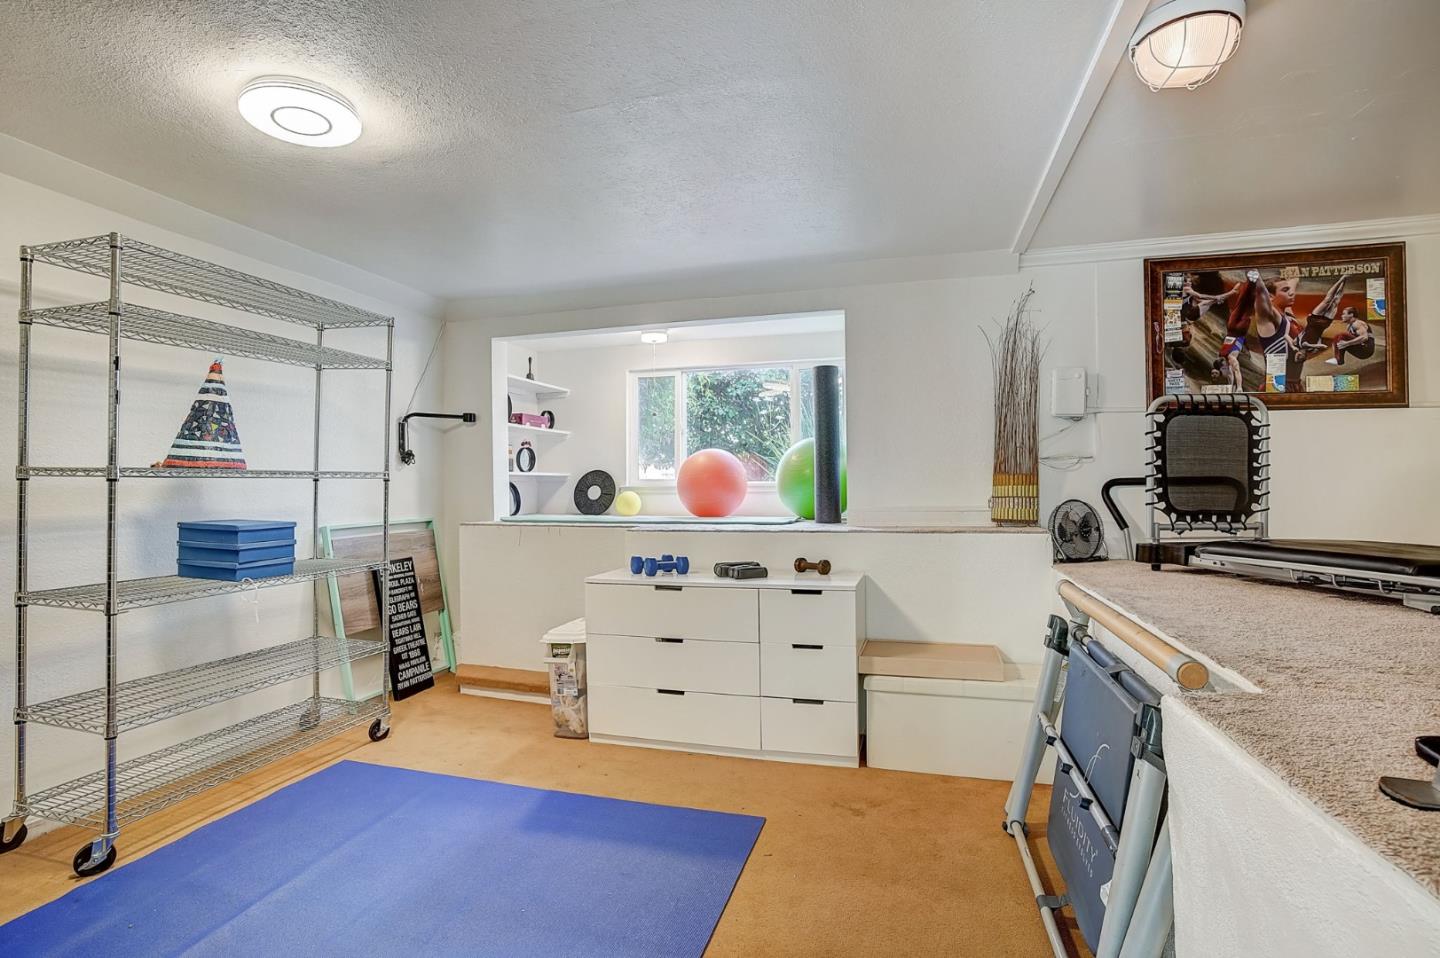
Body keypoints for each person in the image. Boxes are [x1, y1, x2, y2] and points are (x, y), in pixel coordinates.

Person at [1298, 273, 1350, 350]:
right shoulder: (1312, 350)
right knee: (1336, 302)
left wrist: (1318, 346)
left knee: (1327, 300)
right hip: (1324, 324)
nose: (1300, 355)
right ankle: (1345, 280)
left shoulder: (1302, 345)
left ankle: (1340, 280)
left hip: (1313, 321)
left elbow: (1305, 344)